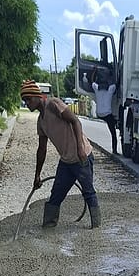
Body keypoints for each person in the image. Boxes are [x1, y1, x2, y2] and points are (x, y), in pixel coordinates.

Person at [20, 80, 101, 229]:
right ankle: (48, 227)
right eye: (25, 100)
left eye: (28, 99)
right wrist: (37, 175)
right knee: (56, 195)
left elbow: (75, 121)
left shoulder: (53, 104)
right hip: (66, 161)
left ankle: (97, 228)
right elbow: (41, 150)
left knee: (88, 193)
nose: (27, 103)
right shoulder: (41, 121)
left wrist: (80, 148)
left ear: (37, 96)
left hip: (81, 156)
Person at [91, 67, 118, 155]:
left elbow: (92, 81)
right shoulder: (110, 90)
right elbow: (115, 83)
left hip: (99, 114)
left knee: (112, 123)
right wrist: (112, 73)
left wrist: (94, 71)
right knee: (113, 133)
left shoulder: (96, 89)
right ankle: (114, 150)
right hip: (107, 114)